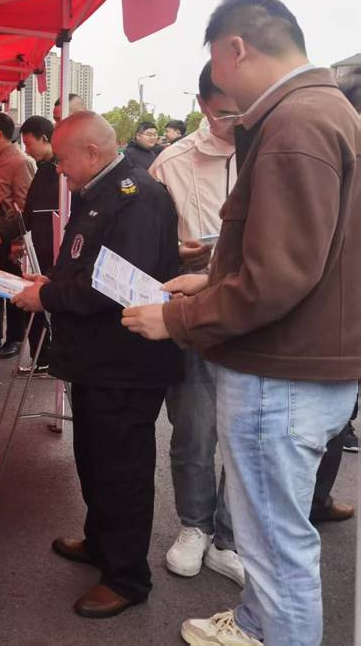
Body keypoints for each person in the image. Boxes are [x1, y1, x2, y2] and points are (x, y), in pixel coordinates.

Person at [122, 0, 361, 646]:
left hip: (280, 372)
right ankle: (254, 623)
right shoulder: (327, 110)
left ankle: (272, 628)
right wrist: (214, 277)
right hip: (305, 364)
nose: (220, 90)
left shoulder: (293, 124)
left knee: (276, 549)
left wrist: (177, 318)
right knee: (269, 539)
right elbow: (312, 253)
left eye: (218, 71)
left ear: (236, 48)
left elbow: (277, 276)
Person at [12, 111, 183, 619]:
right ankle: (101, 542)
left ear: (91, 152)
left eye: (62, 160)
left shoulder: (137, 197)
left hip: (125, 362)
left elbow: (114, 285)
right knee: (92, 458)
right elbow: (85, 263)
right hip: (95, 359)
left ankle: (127, 577)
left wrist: (47, 297)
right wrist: (51, 283)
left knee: (122, 470)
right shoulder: (100, 192)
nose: (59, 169)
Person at [148, 62, 245, 587]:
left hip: (255, 312)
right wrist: (176, 254)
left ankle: (229, 536)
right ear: (203, 105)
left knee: (249, 434)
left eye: (248, 107)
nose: (240, 120)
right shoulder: (172, 163)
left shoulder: (271, 152)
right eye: (227, 111)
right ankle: (194, 525)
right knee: (194, 426)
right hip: (195, 309)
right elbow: (147, 242)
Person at [0, 116, 58, 371]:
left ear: (45, 138)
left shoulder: (61, 171)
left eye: (29, 144)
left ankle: (47, 358)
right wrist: (4, 233)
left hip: (55, 250)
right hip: (38, 249)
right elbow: (29, 213)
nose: (27, 149)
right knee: (35, 305)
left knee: (45, 303)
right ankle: (40, 358)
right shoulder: (43, 170)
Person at [0, 112, 33, 360]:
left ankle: (14, 338)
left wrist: (16, 241)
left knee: (11, 289)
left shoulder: (20, 162)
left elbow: (24, 206)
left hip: (5, 238)